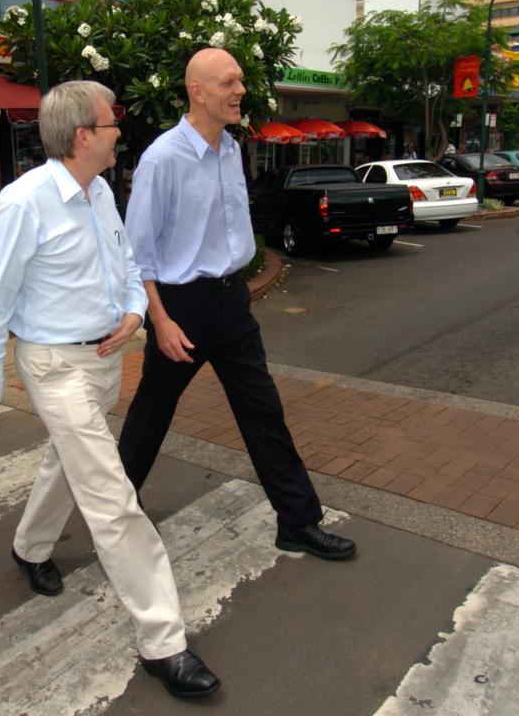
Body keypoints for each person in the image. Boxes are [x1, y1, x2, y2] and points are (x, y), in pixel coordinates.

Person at [0, 80, 220, 699]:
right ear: (83, 136)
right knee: (111, 494)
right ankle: (165, 641)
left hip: (104, 360)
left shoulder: (100, 190)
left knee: (68, 461)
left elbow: (128, 266)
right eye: (113, 124)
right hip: (53, 366)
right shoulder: (23, 204)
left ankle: (30, 547)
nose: (119, 133)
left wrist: (134, 313)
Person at [118, 48, 357, 562]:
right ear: (197, 91)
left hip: (232, 303)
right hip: (180, 308)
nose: (240, 91)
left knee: (263, 410)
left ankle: (297, 522)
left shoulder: (230, 148)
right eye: (229, 82)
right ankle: (115, 511)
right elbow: (137, 251)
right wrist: (158, 320)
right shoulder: (163, 158)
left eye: (241, 81)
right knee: (151, 413)